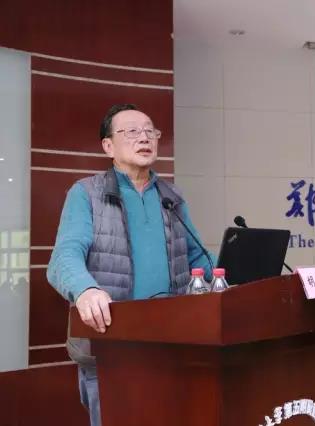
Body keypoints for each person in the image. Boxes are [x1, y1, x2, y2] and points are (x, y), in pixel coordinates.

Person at [47, 104, 214, 426]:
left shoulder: (171, 196)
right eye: (132, 131)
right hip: (112, 347)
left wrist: (246, 276)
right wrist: (85, 290)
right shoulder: (87, 193)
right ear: (108, 146)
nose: (144, 138)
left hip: (174, 343)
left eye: (150, 131)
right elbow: (64, 256)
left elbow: (198, 258)